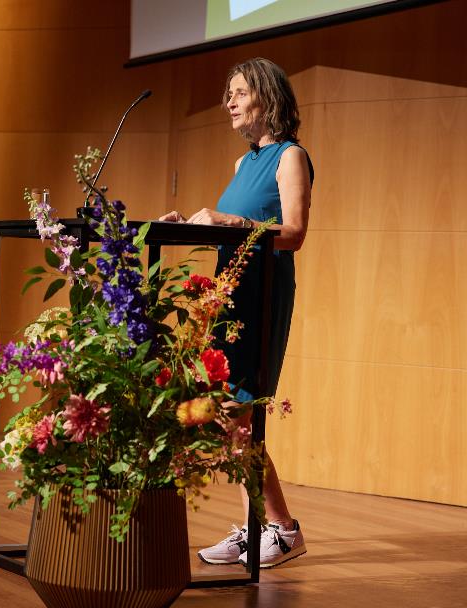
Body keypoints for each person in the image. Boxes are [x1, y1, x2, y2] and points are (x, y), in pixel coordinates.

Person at [159, 57, 313, 569]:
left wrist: (229, 218)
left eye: (239, 92)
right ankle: (259, 526)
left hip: (262, 295)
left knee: (239, 413)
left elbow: (292, 233)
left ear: (266, 98)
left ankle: (282, 529)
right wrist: (185, 227)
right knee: (226, 415)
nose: (229, 101)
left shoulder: (290, 157)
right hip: (228, 300)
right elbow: (228, 231)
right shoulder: (243, 164)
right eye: (229, 93)